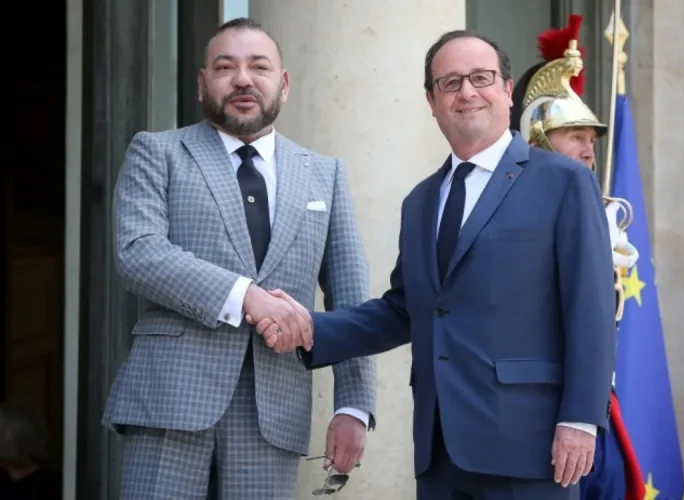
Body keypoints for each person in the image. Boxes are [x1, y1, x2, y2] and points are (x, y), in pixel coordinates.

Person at [254, 29, 617, 500]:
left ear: (507, 90)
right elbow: (406, 309)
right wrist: (311, 330)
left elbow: (590, 307)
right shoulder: (421, 201)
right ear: (431, 100)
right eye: (450, 83)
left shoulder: (563, 182)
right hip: (440, 450)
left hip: (532, 447)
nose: (467, 92)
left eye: (481, 78)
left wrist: (580, 418)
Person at [102, 17, 375, 499]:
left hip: (274, 411)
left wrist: (353, 405)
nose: (243, 79)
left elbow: (350, 298)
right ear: (203, 83)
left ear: (283, 84)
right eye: (226, 67)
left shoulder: (325, 175)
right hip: (170, 401)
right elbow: (138, 252)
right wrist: (246, 296)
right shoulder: (157, 152)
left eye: (259, 67)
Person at [509, 15, 646, 500]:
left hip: (598, 413)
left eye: (592, 139)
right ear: (539, 139)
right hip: (532, 422)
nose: (590, 151)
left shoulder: (605, 216)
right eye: (575, 137)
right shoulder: (506, 218)